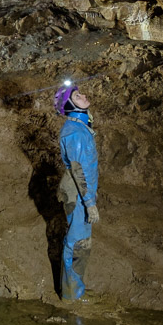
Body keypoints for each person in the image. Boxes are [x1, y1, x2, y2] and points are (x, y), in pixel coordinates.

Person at [55, 82, 99, 301]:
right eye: (78, 95)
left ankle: (76, 290)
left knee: (83, 242)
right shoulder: (74, 133)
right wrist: (89, 202)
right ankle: (71, 297)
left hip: (81, 191)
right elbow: (78, 170)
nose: (83, 95)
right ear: (71, 104)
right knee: (77, 243)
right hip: (77, 192)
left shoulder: (81, 128)